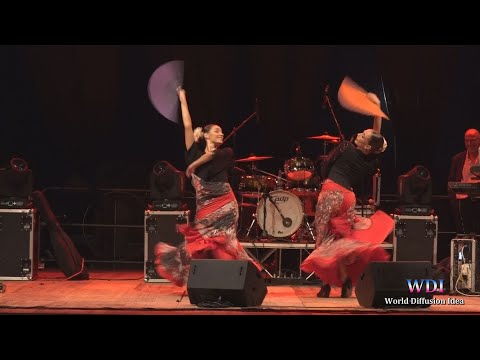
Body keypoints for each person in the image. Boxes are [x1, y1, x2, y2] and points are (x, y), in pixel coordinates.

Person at [154, 87, 259, 286]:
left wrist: (193, 166)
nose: (222, 133)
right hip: (205, 208)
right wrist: (182, 97)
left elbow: (210, 156)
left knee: (225, 243)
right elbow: (187, 125)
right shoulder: (192, 152)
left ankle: (230, 281)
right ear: (206, 135)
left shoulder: (226, 153)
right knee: (199, 244)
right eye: (217, 131)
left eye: (222, 131)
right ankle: (205, 281)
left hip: (226, 206)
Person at [301, 92, 393, 298]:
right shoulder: (372, 160)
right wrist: (377, 111)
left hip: (332, 193)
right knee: (341, 239)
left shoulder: (345, 147)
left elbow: (326, 167)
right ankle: (344, 282)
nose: (358, 134)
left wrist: (323, 178)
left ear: (366, 145)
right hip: (348, 198)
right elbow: (376, 135)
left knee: (324, 238)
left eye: (361, 136)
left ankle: (325, 285)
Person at [448, 128, 480, 235]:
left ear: (479, 140)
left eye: (473, 140)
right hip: (463, 202)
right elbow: (451, 182)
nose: (470, 143)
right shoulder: (458, 159)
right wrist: (454, 202)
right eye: (467, 140)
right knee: (464, 233)